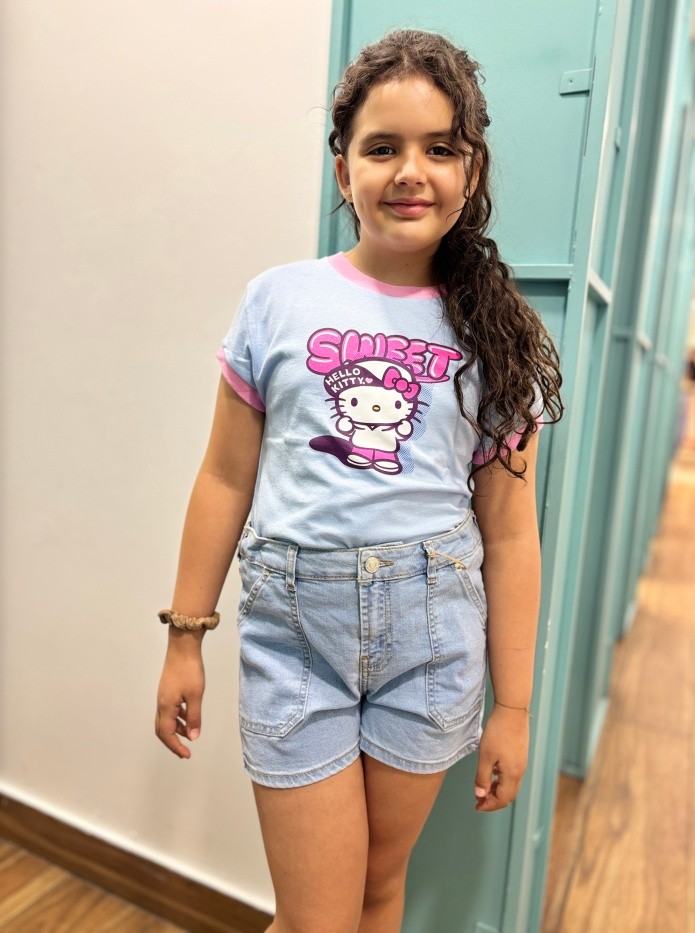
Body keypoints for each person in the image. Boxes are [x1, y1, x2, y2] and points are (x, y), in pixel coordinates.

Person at [155, 27, 563, 933]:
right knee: (316, 915)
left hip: (434, 640)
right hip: (295, 638)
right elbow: (224, 478)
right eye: (382, 149)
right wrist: (185, 635)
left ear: (471, 171)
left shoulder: (500, 334)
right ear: (344, 171)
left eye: (440, 148)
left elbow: (510, 533)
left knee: (378, 891)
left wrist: (515, 706)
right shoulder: (278, 300)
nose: (410, 171)